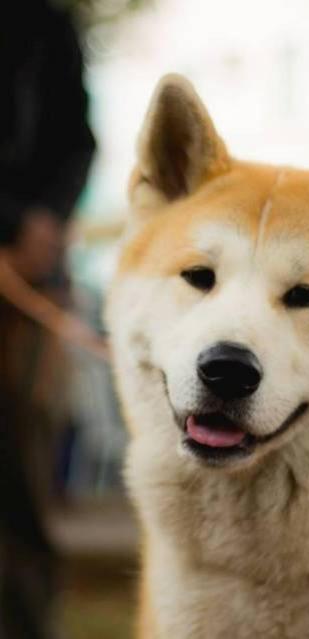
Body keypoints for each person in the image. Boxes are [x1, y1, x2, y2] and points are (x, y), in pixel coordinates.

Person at [0, 1, 96, 637]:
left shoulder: (46, 20)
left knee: (22, 479)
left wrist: (42, 227)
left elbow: (78, 139)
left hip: (26, 284)